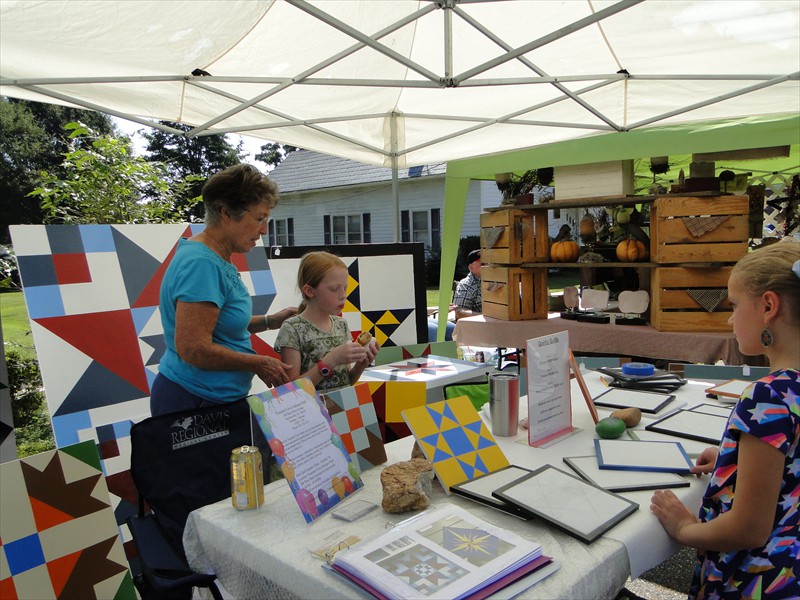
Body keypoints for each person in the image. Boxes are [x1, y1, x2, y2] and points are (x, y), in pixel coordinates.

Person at [650, 239, 800, 599]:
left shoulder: (768, 396)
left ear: (768, 306)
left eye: (734, 305)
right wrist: (736, 461)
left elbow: (748, 528)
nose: (731, 319)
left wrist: (685, 529)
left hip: (753, 582)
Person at [151, 163, 297, 417]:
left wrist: (269, 321)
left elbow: (219, 324)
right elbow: (193, 348)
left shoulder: (214, 257)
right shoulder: (202, 263)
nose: (264, 229)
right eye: (260, 218)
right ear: (225, 212)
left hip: (207, 399)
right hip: (194, 402)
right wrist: (258, 363)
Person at [274, 251, 379, 391]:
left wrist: (361, 365)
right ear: (309, 291)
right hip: (312, 411)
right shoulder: (292, 328)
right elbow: (291, 390)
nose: (343, 296)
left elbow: (346, 381)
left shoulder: (341, 324)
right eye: (334, 289)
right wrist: (332, 359)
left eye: (345, 288)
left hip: (345, 408)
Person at [453, 249, 482, 320]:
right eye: (482, 264)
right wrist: (486, 317)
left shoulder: (497, 280)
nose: (487, 265)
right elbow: (459, 313)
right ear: (471, 267)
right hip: (476, 327)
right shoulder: (466, 285)